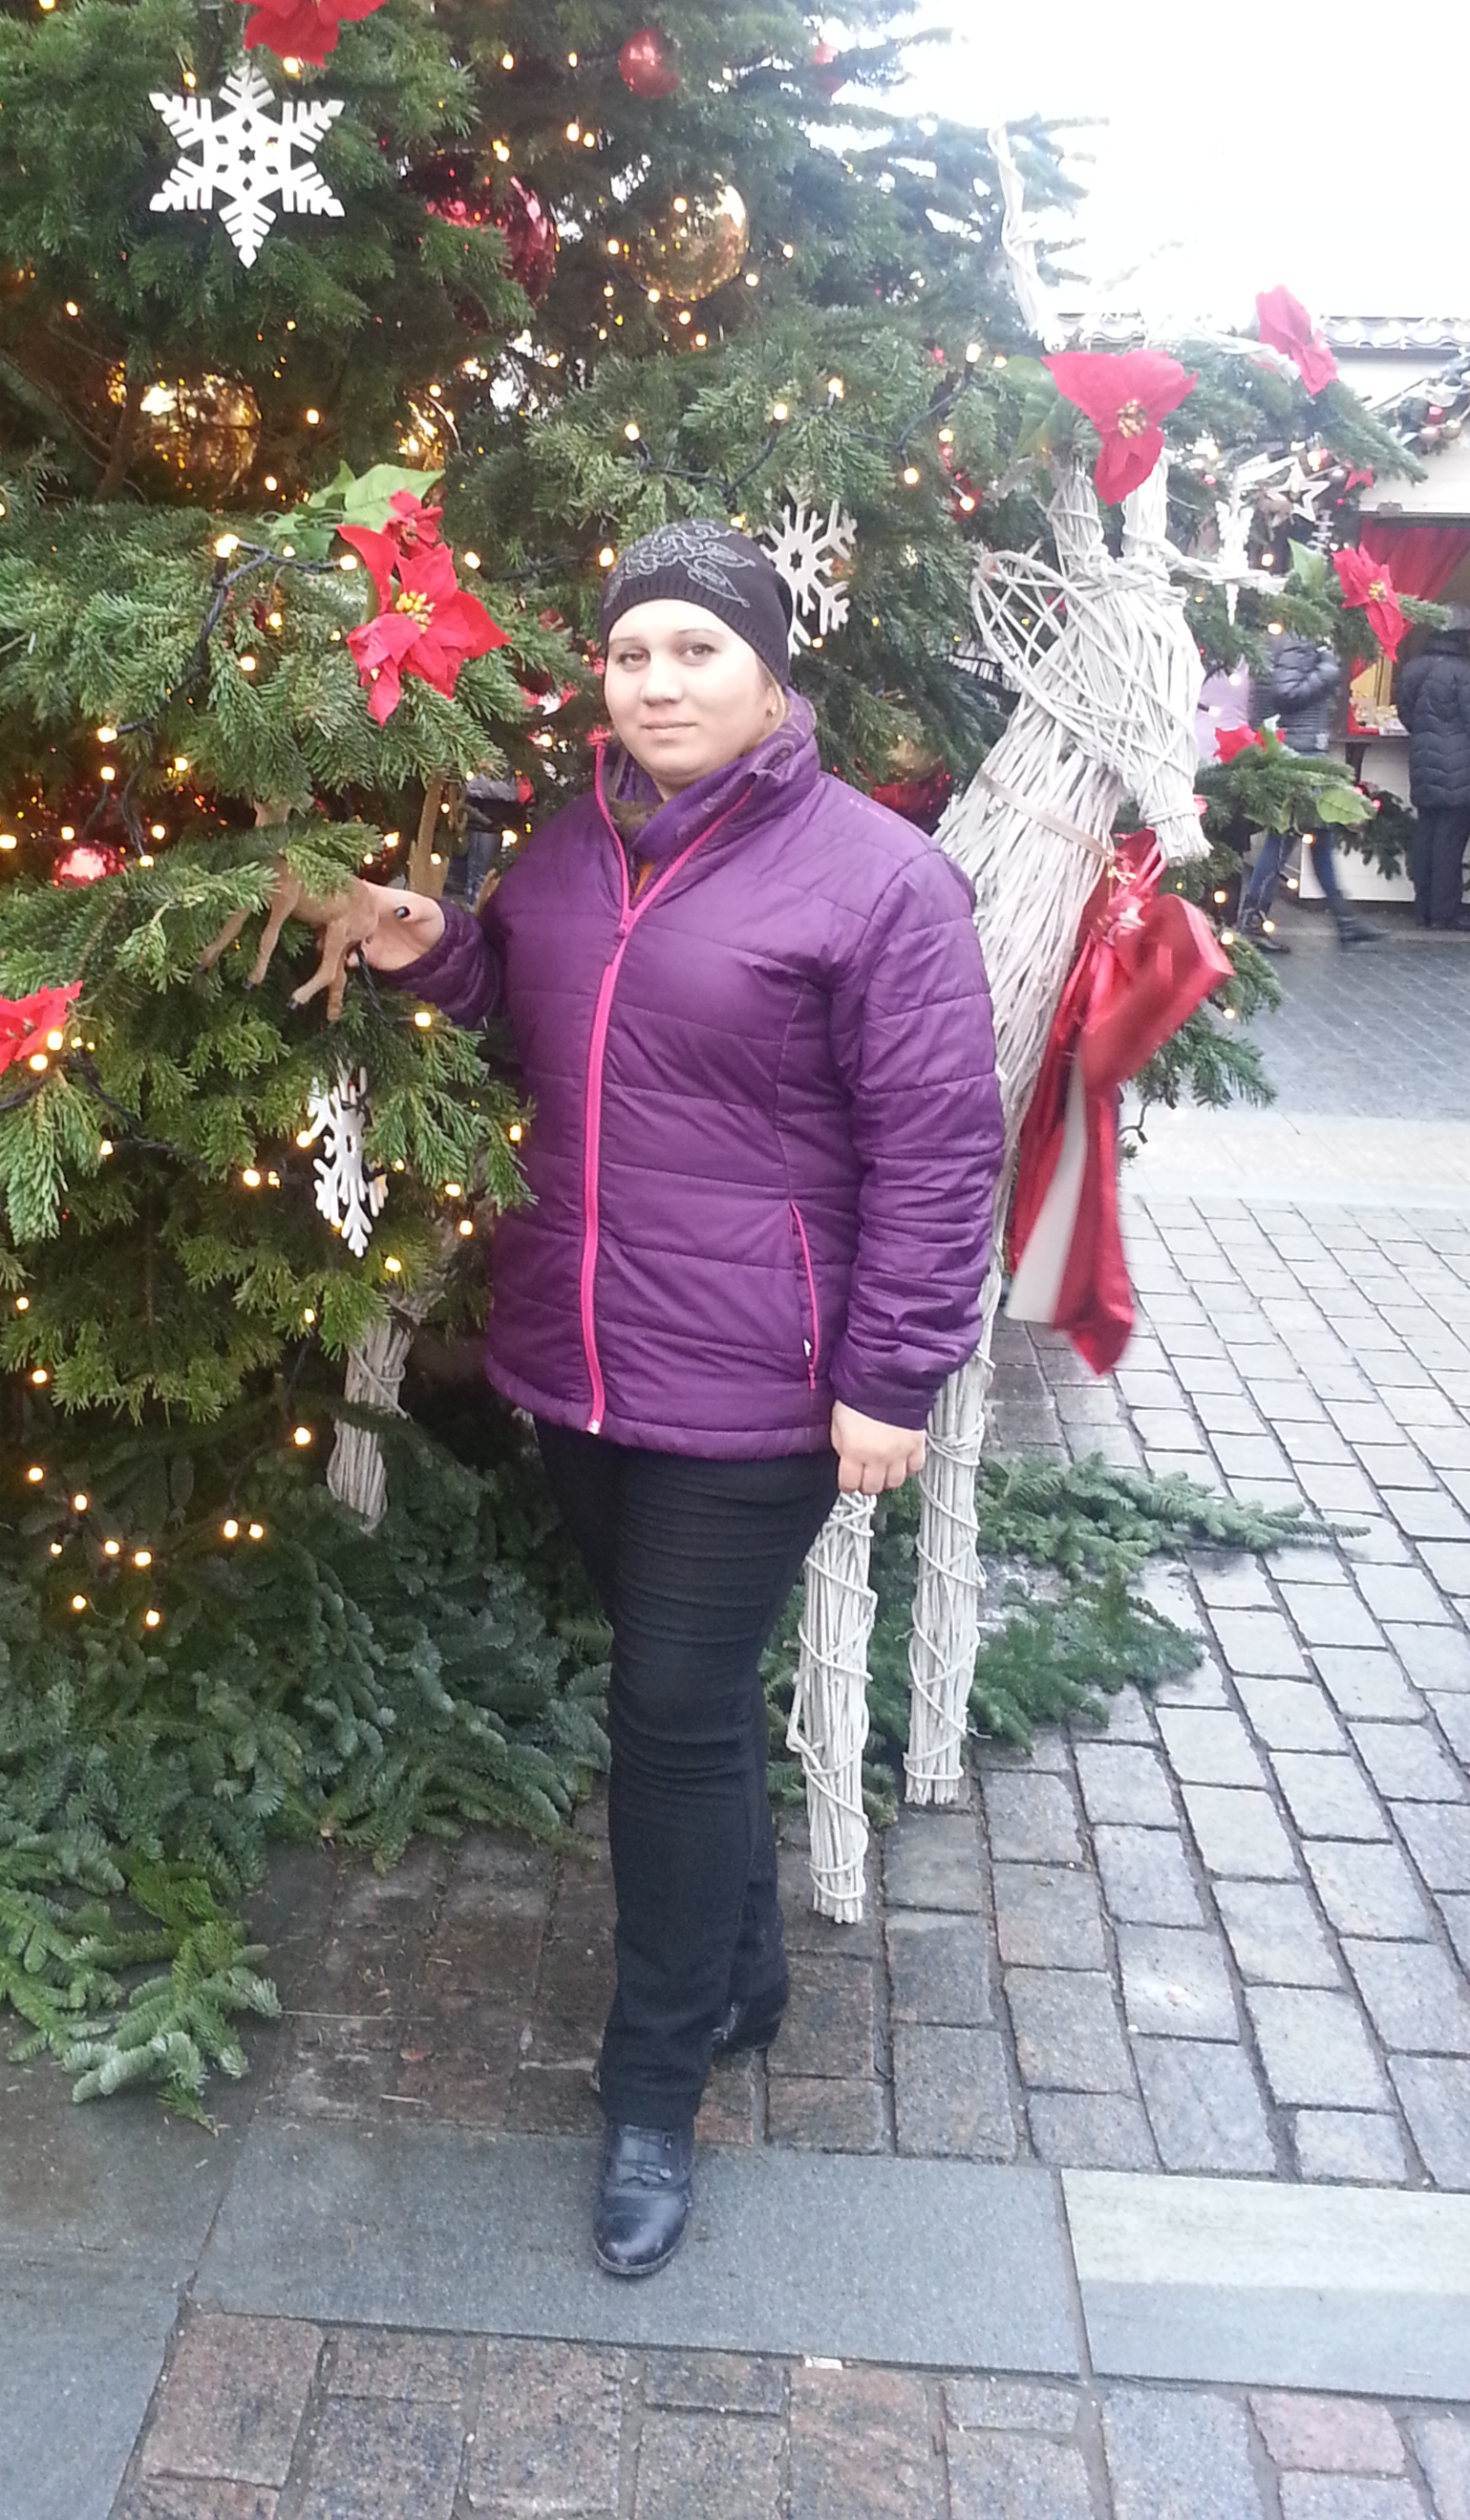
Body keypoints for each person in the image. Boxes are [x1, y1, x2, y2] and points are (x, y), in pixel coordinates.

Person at [259, 521, 1004, 2278]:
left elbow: (937, 1149)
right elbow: (531, 1013)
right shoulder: (569, 847)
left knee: (664, 1710)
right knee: (693, 1689)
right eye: (629, 653)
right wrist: (430, 940)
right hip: (578, 1358)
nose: (657, 683)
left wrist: (889, 1374)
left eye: (695, 649)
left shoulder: (879, 882)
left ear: (769, 670)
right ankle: (742, 1964)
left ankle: (653, 2085)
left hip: (762, 1381)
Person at [1235, 625, 1377, 945]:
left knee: (1319, 837)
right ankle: (1253, 920)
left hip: (1293, 747)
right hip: (1298, 752)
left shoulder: (1282, 637)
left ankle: (1344, 919)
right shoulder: (1300, 640)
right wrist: (1329, 667)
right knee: (1284, 838)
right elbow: (1286, 694)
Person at [1392, 605, 1470, 929]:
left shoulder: (1413, 668)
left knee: (1426, 833)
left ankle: (1423, 908)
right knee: (1450, 842)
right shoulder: (1467, 672)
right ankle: (1445, 912)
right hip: (1462, 767)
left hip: (1423, 760)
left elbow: (1407, 715)